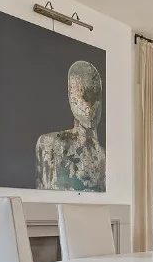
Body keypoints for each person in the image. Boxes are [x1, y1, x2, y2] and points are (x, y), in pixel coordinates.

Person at [35, 60, 106, 191]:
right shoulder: (50, 144)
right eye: (83, 96)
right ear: (71, 97)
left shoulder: (105, 158)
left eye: (95, 97)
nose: (90, 106)